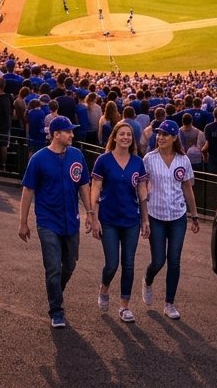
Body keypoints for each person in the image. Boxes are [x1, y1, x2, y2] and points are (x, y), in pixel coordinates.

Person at [19, 116, 93, 329]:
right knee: (53, 267)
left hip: (71, 221)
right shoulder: (39, 159)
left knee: (69, 265)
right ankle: (56, 309)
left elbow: (84, 186)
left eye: (72, 131)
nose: (72, 134)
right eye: (68, 131)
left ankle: (55, 291)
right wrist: (23, 222)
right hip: (47, 221)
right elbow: (28, 190)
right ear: (56, 134)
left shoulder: (77, 155)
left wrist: (90, 212)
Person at [90, 121, 149, 323]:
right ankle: (104, 288)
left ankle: (124, 306)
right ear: (114, 137)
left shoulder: (137, 162)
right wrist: (93, 217)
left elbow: (142, 193)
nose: (125, 137)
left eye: (129, 135)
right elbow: (95, 189)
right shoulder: (103, 161)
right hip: (109, 220)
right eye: (122, 134)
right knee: (112, 264)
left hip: (131, 219)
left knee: (129, 263)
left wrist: (145, 219)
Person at [141, 119, 199, 320]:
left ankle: (169, 303)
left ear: (175, 138)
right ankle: (148, 280)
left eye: (165, 134)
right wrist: (143, 217)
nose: (161, 137)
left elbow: (187, 188)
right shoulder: (149, 159)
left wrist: (195, 214)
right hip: (155, 215)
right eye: (159, 134)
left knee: (174, 260)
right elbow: (141, 188)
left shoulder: (183, 160)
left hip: (177, 215)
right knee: (159, 260)